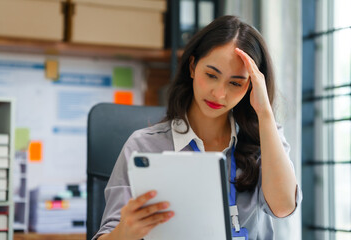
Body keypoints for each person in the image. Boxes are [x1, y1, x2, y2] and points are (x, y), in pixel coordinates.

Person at [93, 15, 302, 240]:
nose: (219, 93)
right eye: (211, 75)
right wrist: (124, 232)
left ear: (251, 86)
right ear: (192, 67)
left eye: (235, 83)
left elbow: (282, 208)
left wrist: (265, 113)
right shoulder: (143, 145)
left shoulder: (265, 138)